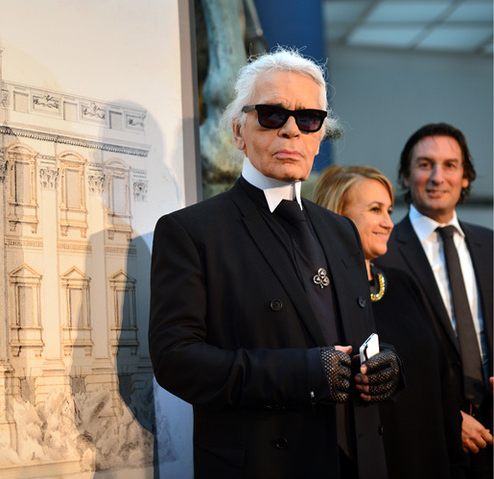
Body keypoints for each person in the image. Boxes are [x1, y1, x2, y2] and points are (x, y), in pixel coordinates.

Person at [148, 47, 402, 479]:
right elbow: (176, 360)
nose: (291, 130)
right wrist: (302, 373)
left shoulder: (341, 230)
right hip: (267, 463)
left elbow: (356, 333)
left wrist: (386, 366)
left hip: (358, 460)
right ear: (238, 131)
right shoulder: (192, 231)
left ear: (320, 136)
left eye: (309, 119)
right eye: (272, 115)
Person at [314, 165, 467, 479]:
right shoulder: (320, 297)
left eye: (389, 210)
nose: (388, 222)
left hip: (431, 460)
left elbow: (440, 380)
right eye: (375, 210)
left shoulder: (403, 284)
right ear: (337, 216)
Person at [375, 123, 493, 479]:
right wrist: (447, 416)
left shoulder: (490, 245)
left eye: (450, 165)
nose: (437, 177)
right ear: (406, 176)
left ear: (465, 177)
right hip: (427, 436)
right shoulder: (381, 253)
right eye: (425, 164)